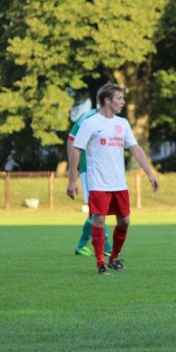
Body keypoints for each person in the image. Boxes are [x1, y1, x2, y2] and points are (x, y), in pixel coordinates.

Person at [66, 83, 159, 274]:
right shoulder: (90, 123)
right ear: (107, 100)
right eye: (119, 98)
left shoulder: (122, 124)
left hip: (119, 183)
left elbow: (135, 148)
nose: (123, 102)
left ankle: (114, 257)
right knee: (98, 220)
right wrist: (72, 180)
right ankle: (100, 262)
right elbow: (76, 150)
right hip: (98, 182)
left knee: (125, 221)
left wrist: (150, 173)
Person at [67, 101, 113, 257]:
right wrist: (73, 171)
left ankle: (81, 246)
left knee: (97, 210)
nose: (122, 102)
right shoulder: (87, 117)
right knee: (97, 210)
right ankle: (106, 247)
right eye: (118, 98)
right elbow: (72, 139)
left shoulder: (112, 119)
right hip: (89, 169)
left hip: (103, 171)